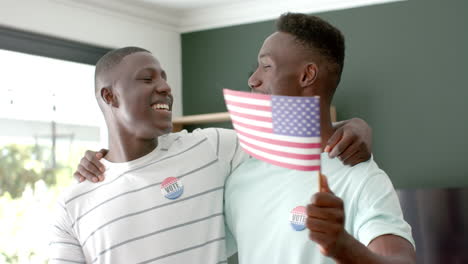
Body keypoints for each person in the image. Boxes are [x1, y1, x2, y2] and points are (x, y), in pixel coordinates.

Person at [223, 13, 415, 264]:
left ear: (307, 75)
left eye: (266, 66)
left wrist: (343, 247)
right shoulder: (240, 171)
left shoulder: (360, 178)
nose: (252, 79)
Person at [49, 47, 248, 263]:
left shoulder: (210, 147)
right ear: (110, 96)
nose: (165, 87)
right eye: (147, 79)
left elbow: (283, 145)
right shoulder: (73, 205)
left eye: (163, 78)